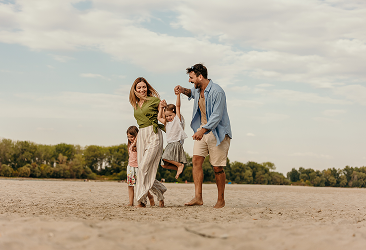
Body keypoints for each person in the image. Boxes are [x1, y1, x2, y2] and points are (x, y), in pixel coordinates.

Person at [174, 64, 232, 208]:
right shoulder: (198, 89)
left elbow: (217, 116)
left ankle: (221, 200)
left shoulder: (217, 92)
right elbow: (191, 93)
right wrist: (182, 90)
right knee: (196, 161)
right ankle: (198, 198)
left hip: (217, 132)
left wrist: (202, 130)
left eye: (191, 78)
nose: (190, 81)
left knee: (217, 167)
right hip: (203, 129)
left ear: (200, 77)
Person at [129, 77, 167, 208]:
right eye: (139, 88)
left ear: (147, 88)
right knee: (143, 170)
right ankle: (160, 192)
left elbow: (163, 117)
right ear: (134, 90)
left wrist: (162, 107)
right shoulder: (134, 104)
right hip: (142, 136)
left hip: (154, 134)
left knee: (144, 168)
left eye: (144, 87)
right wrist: (134, 143)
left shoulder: (155, 100)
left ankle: (141, 200)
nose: (142, 90)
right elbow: (140, 124)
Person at [158, 93, 188, 179]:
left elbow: (178, 106)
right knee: (163, 165)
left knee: (164, 157)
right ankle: (179, 167)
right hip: (170, 144)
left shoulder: (177, 120)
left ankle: (179, 165)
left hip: (175, 144)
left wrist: (178, 95)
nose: (168, 117)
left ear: (174, 113)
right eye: (167, 116)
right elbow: (159, 117)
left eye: (170, 115)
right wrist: (161, 107)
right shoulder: (167, 123)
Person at [125, 126, 155, 207]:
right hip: (130, 167)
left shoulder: (140, 145)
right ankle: (131, 202)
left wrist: (136, 140)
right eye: (128, 137)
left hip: (139, 167)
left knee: (141, 185)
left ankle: (150, 197)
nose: (130, 138)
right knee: (130, 185)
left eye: (132, 136)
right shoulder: (130, 145)